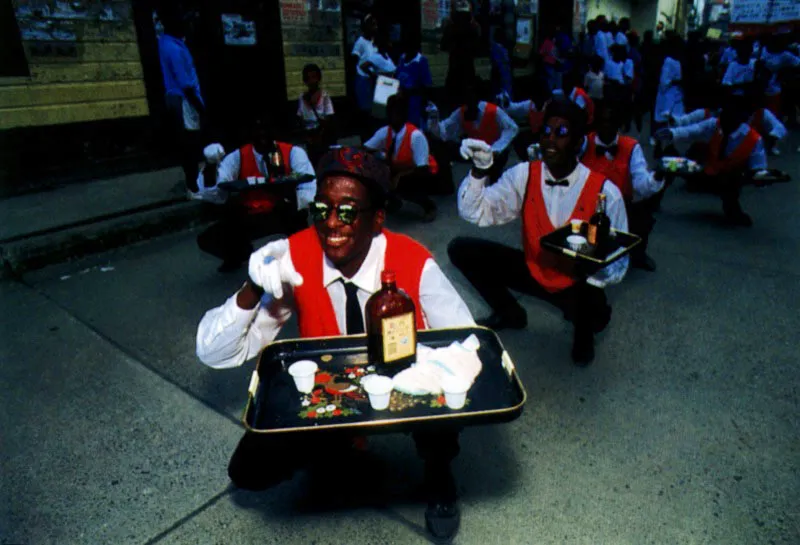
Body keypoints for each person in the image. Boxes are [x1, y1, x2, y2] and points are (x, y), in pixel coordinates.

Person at [196, 146, 474, 541]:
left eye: (346, 211)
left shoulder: (414, 261)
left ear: (377, 218)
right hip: (332, 389)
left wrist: (429, 372)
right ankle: (338, 446)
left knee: (445, 409)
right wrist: (252, 286)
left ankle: (439, 472)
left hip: (406, 381)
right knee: (249, 472)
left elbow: (466, 342)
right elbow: (215, 352)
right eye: (321, 209)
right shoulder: (294, 256)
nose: (330, 223)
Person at [449, 98, 629, 365]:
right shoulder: (524, 174)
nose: (550, 140)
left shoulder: (606, 193)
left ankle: (584, 332)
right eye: (546, 131)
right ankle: (510, 312)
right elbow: (476, 212)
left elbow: (620, 261)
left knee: (594, 311)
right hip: (534, 267)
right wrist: (479, 172)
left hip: (574, 282)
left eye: (562, 133)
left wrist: (588, 269)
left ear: (579, 142)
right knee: (461, 250)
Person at [193, 117, 316, 271]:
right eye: (257, 130)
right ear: (250, 134)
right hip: (251, 216)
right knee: (209, 237)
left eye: (266, 130)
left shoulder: (293, 152)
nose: (262, 135)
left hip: (283, 212)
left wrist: (289, 197)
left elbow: (309, 187)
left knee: (299, 219)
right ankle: (238, 254)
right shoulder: (237, 157)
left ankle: (302, 255)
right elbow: (215, 192)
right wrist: (211, 166)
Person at [655, 96, 768, 227]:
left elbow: (759, 169)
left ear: (741, 119)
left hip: (727, 181)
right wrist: (672, 133)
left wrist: (761, 179)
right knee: (670, 160)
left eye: (729, 115)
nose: (723, 118)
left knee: (732, 178)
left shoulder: (754, 140)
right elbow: (692, 130)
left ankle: (732, 208)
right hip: (705, 172)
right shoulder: (715, 124)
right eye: (723, 113)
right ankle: (654, 200)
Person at [580, 98, 664, 271]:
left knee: (643, 215)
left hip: (621, 206)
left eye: (611, 122)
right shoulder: (584, 143)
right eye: (602, 121)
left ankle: (637, 253)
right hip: (589, 206)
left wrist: (657, 175)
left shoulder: (631, 147)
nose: (606, 127)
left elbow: (641, 184)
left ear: (619, 123)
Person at [364, 95, 439, 221]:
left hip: (421, 173)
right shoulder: (385, 131)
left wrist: (399, 176)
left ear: (404, 114)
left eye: (397, 112)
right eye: (390, 111)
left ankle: (429, 206)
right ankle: (393, 200)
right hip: (398, 170)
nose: (393, 116)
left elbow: (423, 169)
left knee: (405, 182)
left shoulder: (416, 136)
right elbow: (366, 148)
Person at [430, 79, 519, 182]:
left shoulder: (493, 111)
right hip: (475, 152)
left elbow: (512, 128)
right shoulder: (461, 112)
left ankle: (495, 182)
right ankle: (445, 185)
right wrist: (433, 118)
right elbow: (443, 132)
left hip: (494, 152)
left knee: (496, 170)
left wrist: (496, 148)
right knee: (443, 148)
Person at [157, 6, 205, 193]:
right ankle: (192, 186)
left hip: (178, 97)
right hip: (185, 100)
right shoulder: (174, 49)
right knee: (190, 145)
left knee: (188, 144)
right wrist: (201, 109)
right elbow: (186, 85)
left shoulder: (167, 42)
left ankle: (193, 182)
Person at [441, 0, 482, 109]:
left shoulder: (451, 27)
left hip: (458, 68)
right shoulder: (473, 27)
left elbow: (443, 46)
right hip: (464, 69)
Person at [297, 63, 336, 167]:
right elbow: (300, 117)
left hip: (321, 136)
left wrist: (319, 134)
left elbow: (329, 118)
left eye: (314, 77)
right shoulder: (302, 97)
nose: (311, 81)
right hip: (309, 137)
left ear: (319, 79)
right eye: (308, 78)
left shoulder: (324, 96)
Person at [653, 35, 685, 155]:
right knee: (664, 121)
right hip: (667, 94)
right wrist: (677, 81)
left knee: (673, 122)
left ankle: (670, 146)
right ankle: (659, 145)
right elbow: (664, 81)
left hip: (675, 94)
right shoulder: (669, 61)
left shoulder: (677, 61)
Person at [395, 35, 433, 128]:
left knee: (412, 127)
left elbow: (426, 85)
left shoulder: (421, 61)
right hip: (401, 102)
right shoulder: (402, 58)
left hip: (414, 104)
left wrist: (408, 91)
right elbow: (397, 75)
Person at [351, 14, 379, 117]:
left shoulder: (373, 42)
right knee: (365, 109)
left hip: (373, 78)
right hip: (363, 78)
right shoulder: (360, 42)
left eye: (376, 25)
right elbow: (355, 60)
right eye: (373, 25)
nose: (375, 27)